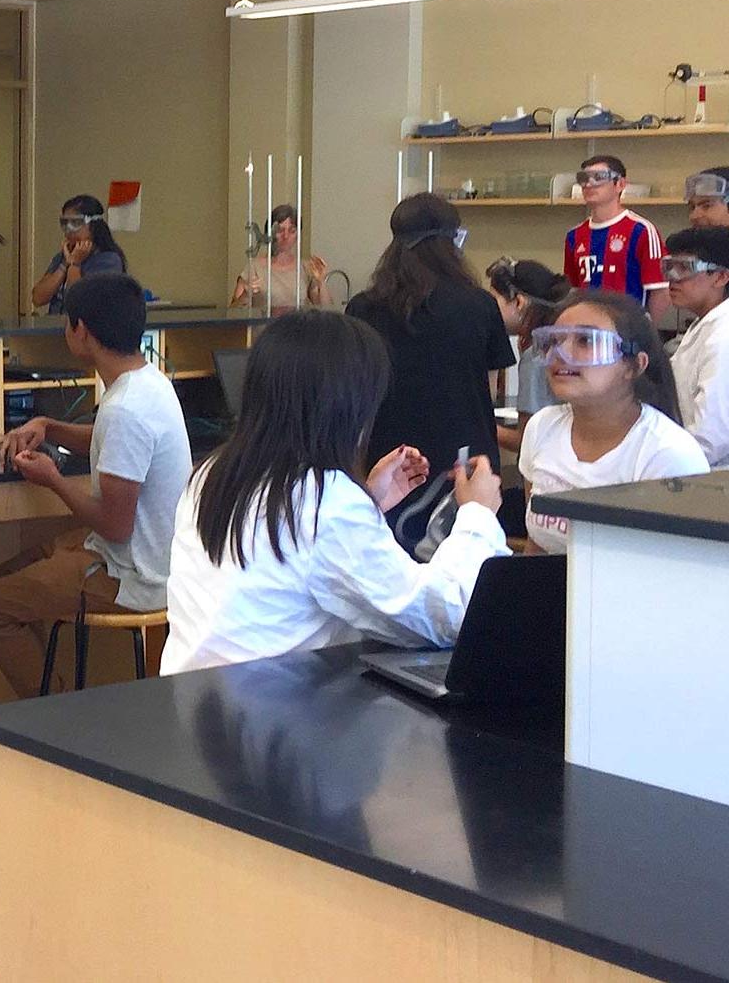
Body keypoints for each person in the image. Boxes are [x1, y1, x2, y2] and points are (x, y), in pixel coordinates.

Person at [160, 309, 507, 675]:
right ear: (349, 406)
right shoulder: (326, 501)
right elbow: (444, 615)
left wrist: (368, 501)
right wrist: (477, 515)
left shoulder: (211, 474)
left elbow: (285, 565)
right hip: (271, 721)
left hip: (192, 704)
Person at [0, 273, 192, 697]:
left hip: (132, 576)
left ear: (80, 329)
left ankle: (53, 714)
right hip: (143, 556)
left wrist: (53, 481)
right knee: (3, 577)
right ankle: (57, 693)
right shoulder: (148, 382)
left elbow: (115, 525)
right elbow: (113, 443)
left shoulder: (126, 407)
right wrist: (48, 426)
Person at [346, 194, 515, 546]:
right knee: (466, 555)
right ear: (453, 241)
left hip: (390, 459)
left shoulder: (363, 307)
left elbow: (356, 391)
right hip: (465, 458)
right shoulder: (479, 304)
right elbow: (490, 389)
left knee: (389, 553)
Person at [519, 291, 708, 554]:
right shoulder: (542, 426)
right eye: (555, 340)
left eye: (585, 340)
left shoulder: (667, 454)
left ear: (634, 366)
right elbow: (537, 546)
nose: (562, 353)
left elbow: (674, 572)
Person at [563, 155, 670, 320]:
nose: (589, 184)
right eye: (583, 178)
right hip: (587, 329)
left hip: (628, 331)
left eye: (599, 177)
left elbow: (660, 291)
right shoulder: (574, 235)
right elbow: (573, 290)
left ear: (620, 184)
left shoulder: (641, 230)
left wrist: (647, 335)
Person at [485, 257, 570, 453]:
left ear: (519, 302)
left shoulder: (537, 356)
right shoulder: (559, 344)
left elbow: (526, 440)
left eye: (493, 301)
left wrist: (478, 425)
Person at [665, 227, 729, 468]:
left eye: (685, 268)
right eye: (669, 266)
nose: (672, 277)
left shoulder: (724, 335)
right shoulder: (705, 323)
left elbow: (712, 437)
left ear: (721, 277)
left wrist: (661, 466)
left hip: (711, 478)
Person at [31, 195, 128, 315]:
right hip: (58, 329)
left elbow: (77, 302)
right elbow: (38, 298)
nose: (69, 230)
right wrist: (64, 265)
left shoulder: (108, 260)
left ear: (93, 225)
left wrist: (75, 265)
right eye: (65, 223)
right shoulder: (63, 256)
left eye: (75, 223)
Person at [229, 203, 331, 310]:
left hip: (297, 326)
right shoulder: (255, 267)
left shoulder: (305, 268)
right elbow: (232, 313)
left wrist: (321, 282)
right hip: (266, 326)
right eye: (280, 230)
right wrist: (245, 295)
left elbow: (327, 311)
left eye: (292, 231)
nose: (286, 236)